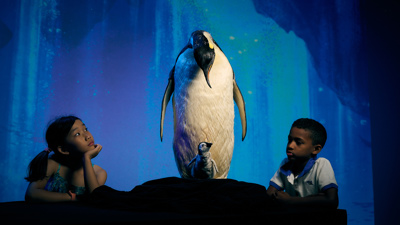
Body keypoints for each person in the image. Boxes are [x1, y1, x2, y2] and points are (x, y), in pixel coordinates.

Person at [25, 115, 107, 202]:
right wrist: (71, 198)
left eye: (85, 129)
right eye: (77, 134)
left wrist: (86, 158)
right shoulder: (53, 165)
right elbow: (31, 194)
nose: (88, 136)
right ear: (63, 149)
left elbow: (95, 199)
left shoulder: (99, 173)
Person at [266, 118, 338, 208]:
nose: (290, 146)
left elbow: (332, 200)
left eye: (298, 142)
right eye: (289, 140)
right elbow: (270, 192)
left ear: (316, 149)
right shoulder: (285, 163)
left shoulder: (321, 164)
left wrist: (290, 200)